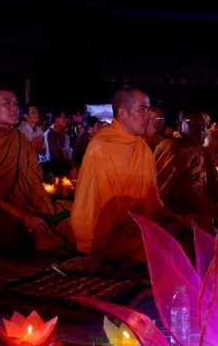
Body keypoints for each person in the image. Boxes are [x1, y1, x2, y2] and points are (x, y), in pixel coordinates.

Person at [0, 89, 72, 254]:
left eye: (16, 104)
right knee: (4, 227)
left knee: (72, 212)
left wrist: (46, 200)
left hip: (23, 204)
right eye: (7, 103)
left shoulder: (18, 138)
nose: (15, 108)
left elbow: (33, 178)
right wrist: (24, 216)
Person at [71, 86, 166, 263]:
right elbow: (113, 209)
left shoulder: (141, 146)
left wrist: (164, 217)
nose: (148, 116)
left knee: (190, 226)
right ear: (122, 113)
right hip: (103, 231)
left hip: (131, 223)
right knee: (158, 246)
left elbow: (150, 196)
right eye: (142, 109)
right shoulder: (106, 146)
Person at [154, 109, 218, 231]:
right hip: (184, 219)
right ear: (179, 125)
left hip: (207, 213)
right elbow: (158, 191)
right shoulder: (171, 149)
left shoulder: (201, 151)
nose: (201, 128)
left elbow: (216, 184)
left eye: (204, 124)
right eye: (193, 123)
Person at [42, 109, 72, 178]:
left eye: (67, 118)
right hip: (51, 172)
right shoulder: (49, 134)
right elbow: (51, 157)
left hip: (63, 169)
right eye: (64, 118)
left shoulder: (66, 136)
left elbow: (68, 155)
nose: (67, 120)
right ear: (56, 119)